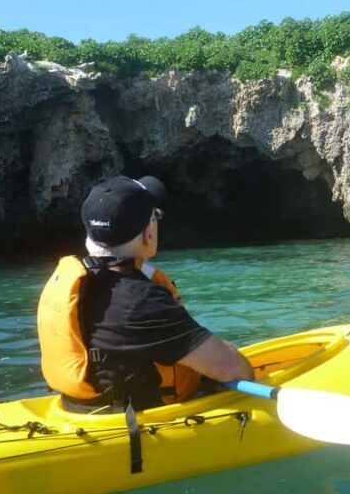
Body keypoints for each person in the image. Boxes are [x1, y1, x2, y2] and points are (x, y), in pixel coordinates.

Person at [37, 175, 254, 413]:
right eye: (155, 217)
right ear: (147, 234)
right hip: (134, 424)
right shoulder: (139, 301)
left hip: (78, 409)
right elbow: (236, 370)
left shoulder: (78, 280)